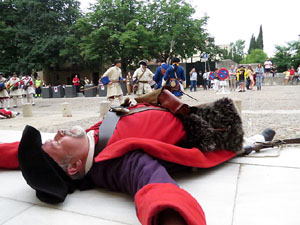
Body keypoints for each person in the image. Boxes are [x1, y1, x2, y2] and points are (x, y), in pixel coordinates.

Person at [0, 91, 277, 225]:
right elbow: (151, 183)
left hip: (173, 106)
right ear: (73, 167)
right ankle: (258, 141)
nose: (58, 132)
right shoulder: (114, 164)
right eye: (55, 142)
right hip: (202, 131)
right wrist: (171, 218)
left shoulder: (83, 140)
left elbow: (18, 153)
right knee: (240, 144)